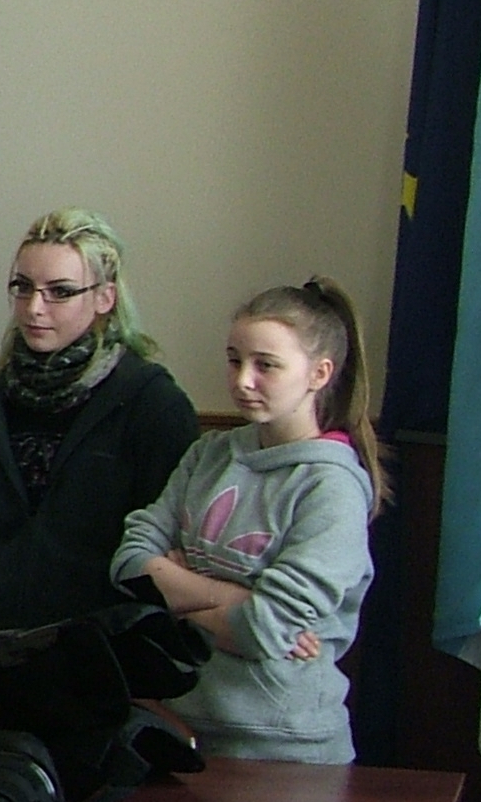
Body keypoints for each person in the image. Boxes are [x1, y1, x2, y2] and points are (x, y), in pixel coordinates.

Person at [111, 279, 383, 764]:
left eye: (266, 365)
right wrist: (237, 598)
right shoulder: (209, 454)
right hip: (178, 724)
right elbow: (129, 565)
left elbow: (264, 628)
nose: (242, 380)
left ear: (319, 374)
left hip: (284, 745)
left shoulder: (331, 487)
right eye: (234, 360)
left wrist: (175, 589)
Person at [0, 209, 200, 637]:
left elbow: (168, 550)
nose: (34, 308)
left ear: (105, 297)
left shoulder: (151, 402)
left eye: (60, 292)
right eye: (23, 287)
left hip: (101, 644)